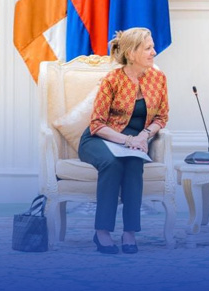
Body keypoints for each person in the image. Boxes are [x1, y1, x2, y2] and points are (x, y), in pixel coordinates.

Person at [78, 27, 169, 254]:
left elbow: (161, 117)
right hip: (100, 139)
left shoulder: (158, 78)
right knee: (112, 163)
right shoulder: (112, 80)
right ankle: (102, 231)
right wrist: (128, 140)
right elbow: (97, 124)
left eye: (152, 47)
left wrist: (143, 136)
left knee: (134, 162)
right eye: (148, 48)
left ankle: (129, 232)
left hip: (135, 141)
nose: (154, 52)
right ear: (131, 53)